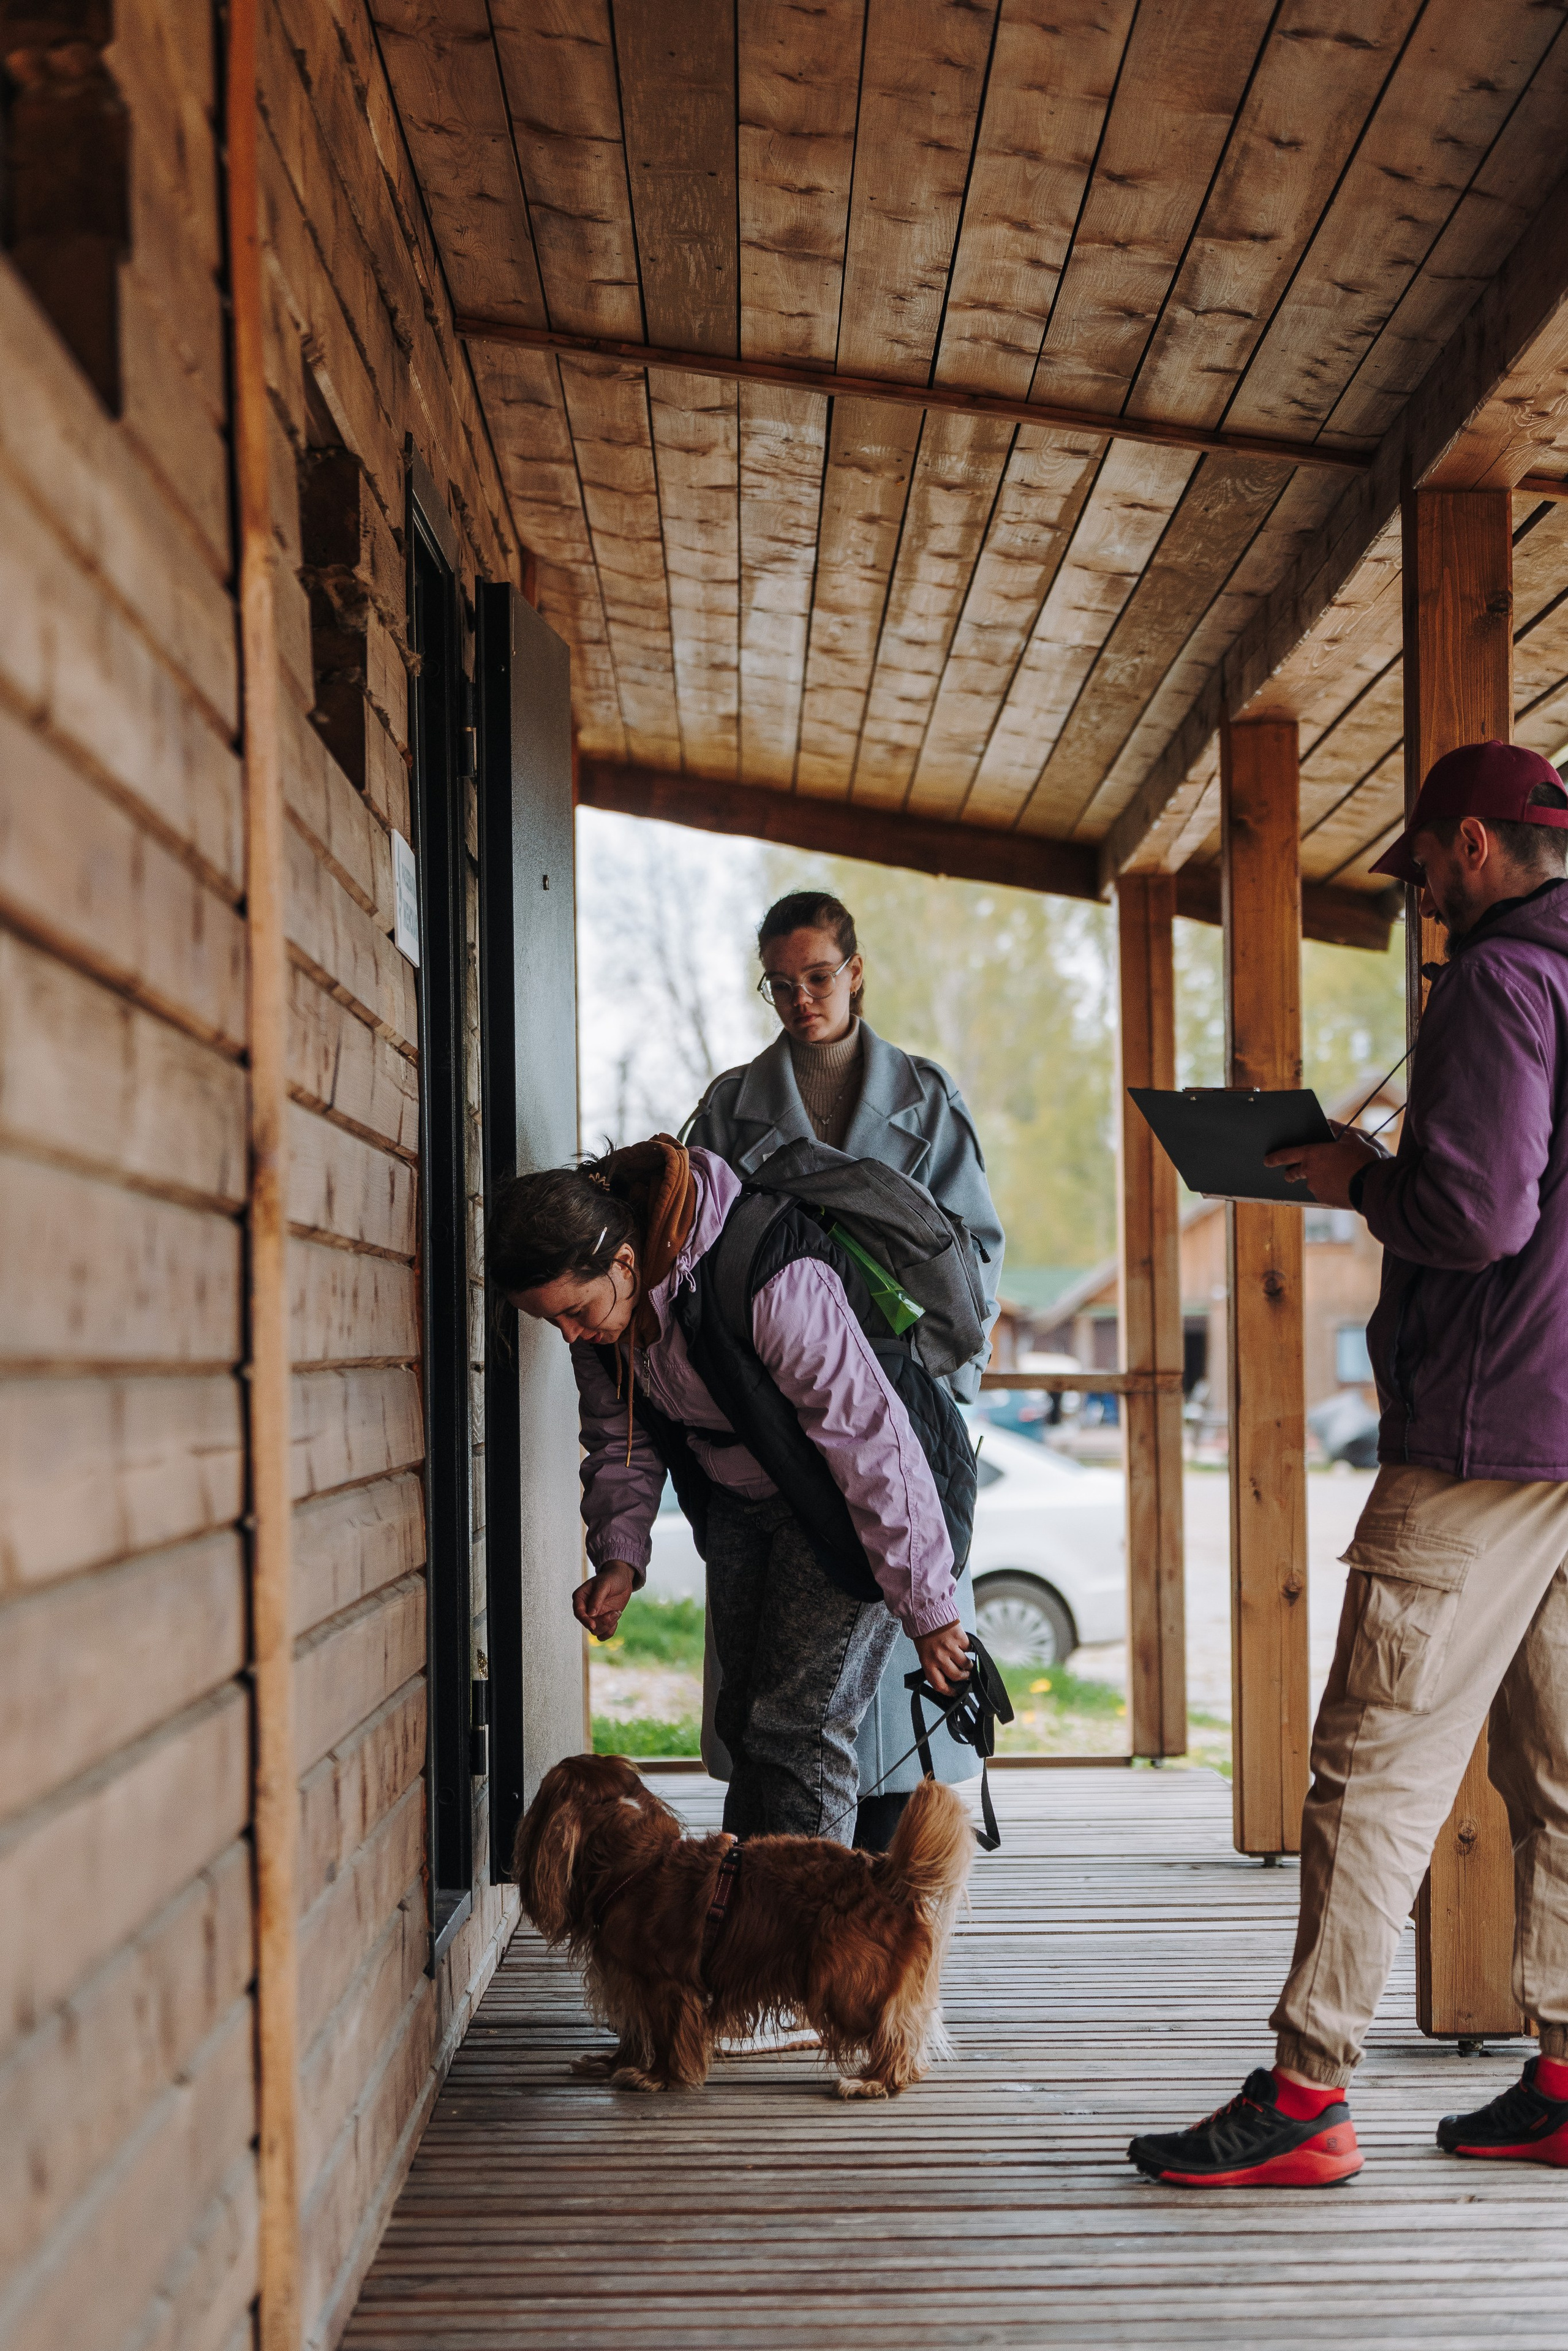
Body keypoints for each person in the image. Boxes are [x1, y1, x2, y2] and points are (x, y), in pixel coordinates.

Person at [1128, 738, 1568, 2189]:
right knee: (1560, 1773)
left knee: (1367, 1766)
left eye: (1426, 864)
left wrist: (1354, 1176)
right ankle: (1565, 2075)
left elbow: (1475, 1216)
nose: (1421, 892)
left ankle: (1306, 2094)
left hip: (1486, 1431)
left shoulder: (1500, 982)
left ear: (1473, 847)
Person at [488, 1134, 972, 1843]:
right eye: (550, 1321)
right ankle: (746, 1925)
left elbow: (868, 1435)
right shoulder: (605, 1326)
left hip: (841, 1499)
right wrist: (619, 1556)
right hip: (742, 1500)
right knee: (746, 1719)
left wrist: (928, 1605)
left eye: (576, 1311)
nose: (569, 1334)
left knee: (798, 1729)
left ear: (624, 1261)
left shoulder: (764, 1268)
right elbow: (622, 1438)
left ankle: (806, 1939)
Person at [686, 890, 1005, 1850]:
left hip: (896, 1413)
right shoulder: (728, 1108)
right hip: (771, 1433)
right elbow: (686, 1256)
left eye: (817, 977)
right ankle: (781, 1918)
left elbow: (975, 1257)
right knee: (785, 1708)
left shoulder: (927, 1098)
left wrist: (934, 1399)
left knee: (900, 1713)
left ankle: (882, 1941)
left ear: (855, 972)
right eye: (779, 985)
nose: (800, 999)